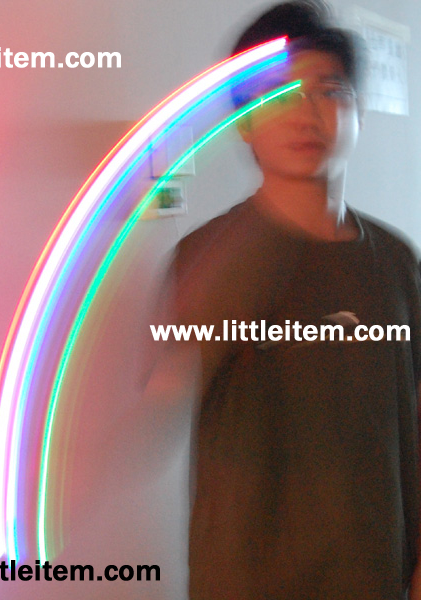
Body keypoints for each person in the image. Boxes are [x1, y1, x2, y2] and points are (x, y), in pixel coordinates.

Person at [147, 1, 421, 598]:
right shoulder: (205, 257)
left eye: (329, 90)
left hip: (375, 577)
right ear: (243, 122)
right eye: (278, 95)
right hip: (248, 580)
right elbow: (159, 402)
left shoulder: (397, 262)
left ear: (359, 112)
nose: (305, 113)